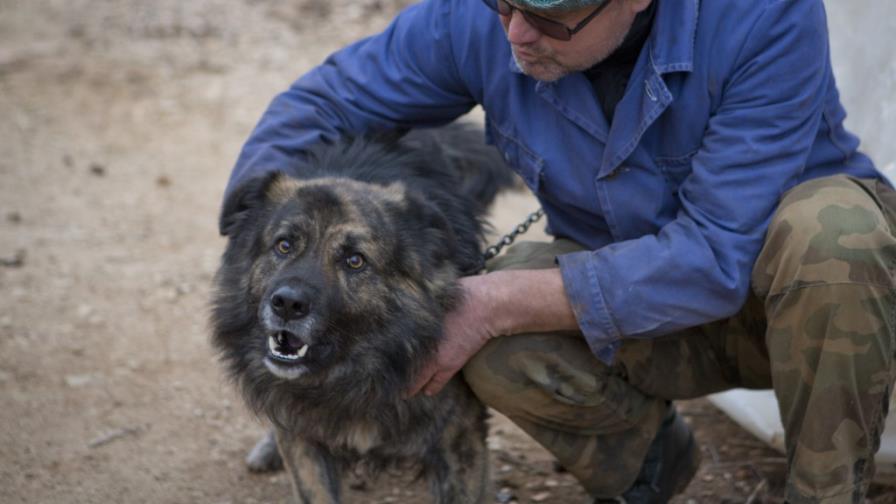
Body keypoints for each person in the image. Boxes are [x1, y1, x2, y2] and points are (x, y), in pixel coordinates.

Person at [225, 0, 896, 502]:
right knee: (469, 324)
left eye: (549, 17)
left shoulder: (763, 14)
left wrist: (499, 302)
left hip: (800, 308)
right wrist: (258, 218)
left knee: (835, 232)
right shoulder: (490, 19)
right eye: (505, 5)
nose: (516, 35)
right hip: (639, 307)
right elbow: (331, 97)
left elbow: (716, 256)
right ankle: (647, 464)